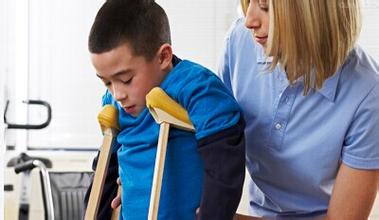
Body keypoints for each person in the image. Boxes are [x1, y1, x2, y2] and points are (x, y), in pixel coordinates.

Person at [83, 0, 246, 219]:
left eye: (126, 79)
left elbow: (224, 159)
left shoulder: (197, 87)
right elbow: (105, 170)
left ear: (163, 57)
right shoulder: (115, 102)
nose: (117, 94)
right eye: (107, 83)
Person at [218, 0, 379, 219]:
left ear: (310, 15)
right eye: (248, 2)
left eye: (265, 7)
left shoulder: (368, 94)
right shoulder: (239, 43)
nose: (249, 21)